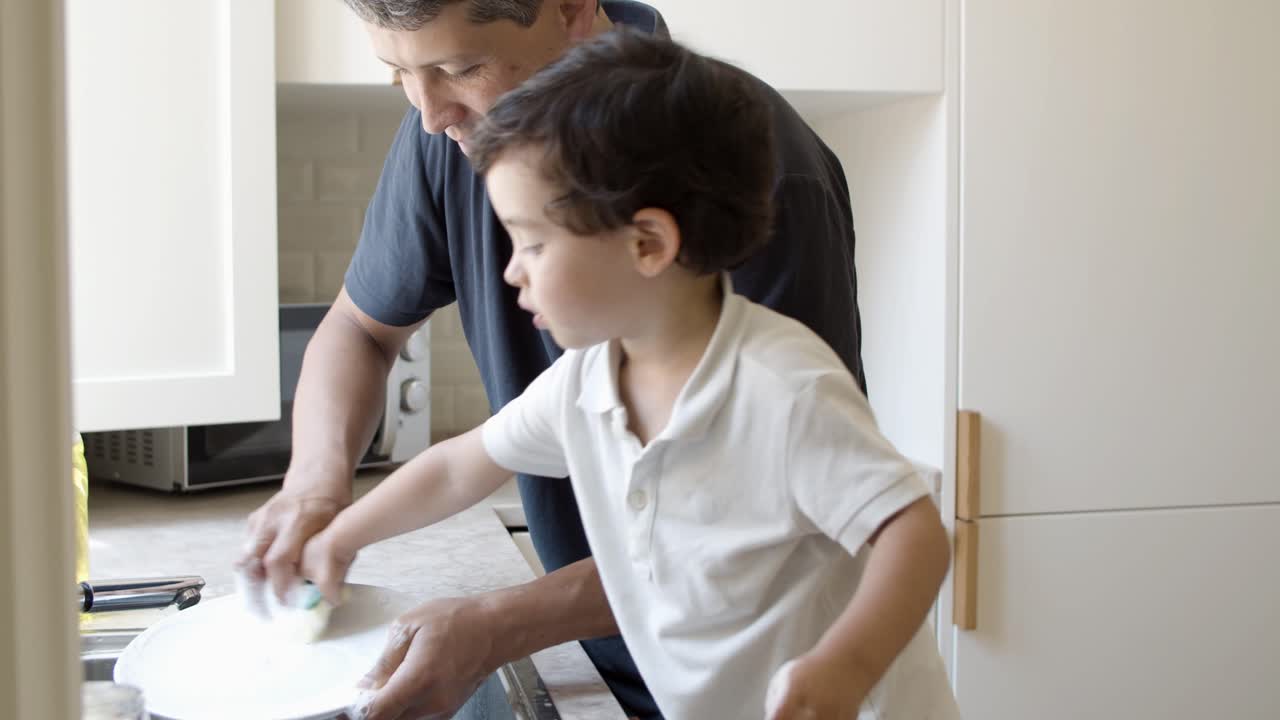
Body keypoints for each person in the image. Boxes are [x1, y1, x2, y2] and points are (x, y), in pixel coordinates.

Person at [299, 29, 959, 720]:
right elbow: (458, 468)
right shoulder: (589, 379)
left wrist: (843, 667)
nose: (511, 270)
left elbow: (915, 535)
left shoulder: (780, 388)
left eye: (532, 242)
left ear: (647, 244)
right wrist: (340, 535)